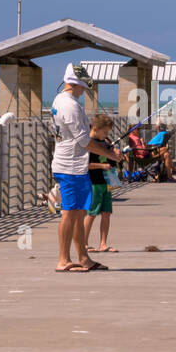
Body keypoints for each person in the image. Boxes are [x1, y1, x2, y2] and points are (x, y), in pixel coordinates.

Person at [51, 64, 123, 272]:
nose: (84, 90)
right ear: (74, 83)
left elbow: (82, 139)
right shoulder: (70, 106)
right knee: (70, 213)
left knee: (80, 212)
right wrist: (110, 154)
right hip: (69, 166)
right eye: (83, 86)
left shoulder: (62, 100)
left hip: (77, 166)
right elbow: (83, 140)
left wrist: (105, 148)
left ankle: (83, 257)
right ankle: (63, 260)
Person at [84, 114, 120, 253]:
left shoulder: (105, 142)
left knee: (106, 213)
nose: (106, 135)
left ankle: (103, 244)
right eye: (104, 132)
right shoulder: (88, 143)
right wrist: (101, 166)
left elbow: (113, 157)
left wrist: (117, 154)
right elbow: (85, 165)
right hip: (94, 183)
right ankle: (84, 243)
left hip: (107, 182)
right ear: (95, 128)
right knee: (91, 213)